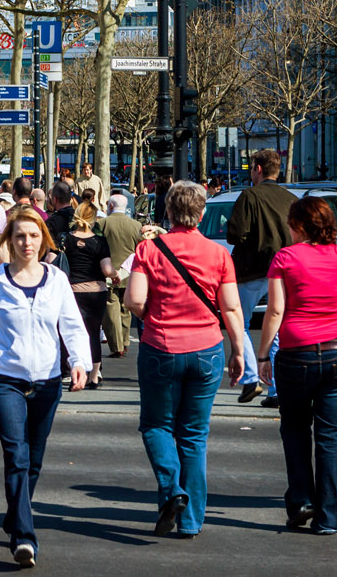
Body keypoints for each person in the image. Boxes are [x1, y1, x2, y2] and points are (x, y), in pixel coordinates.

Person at [0, 207, 90, 568]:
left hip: (48, 380)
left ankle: (14, 513)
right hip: (5, 379)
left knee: (34, 460)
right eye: (20, 236)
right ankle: (24, 537)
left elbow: (72, 324)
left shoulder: (55, 279)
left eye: (34, 236)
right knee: (16, 456)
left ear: (43, 240)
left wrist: (79, 361)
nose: (27, 243)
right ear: (9, 240)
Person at [125, 180, 245, 539]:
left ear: (169, 212)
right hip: (207, 349)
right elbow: (232, 307)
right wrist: (238, 351)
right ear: (203, 213)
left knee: (157, 425)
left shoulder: (149, 250)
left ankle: (171, 487)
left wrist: (153, 318)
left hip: (161, 346)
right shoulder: (219, 254)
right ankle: (191, 519)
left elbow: (133, 300)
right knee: (194, 435)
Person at [256, 195, 337, 535]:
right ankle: (329, 515)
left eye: (291, 224)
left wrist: (263, 356)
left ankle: (301, 500)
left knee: (294, 428)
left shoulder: (286, 258)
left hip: (297, 353)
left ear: (300, 226)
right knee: (330, 436)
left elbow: (275, 312)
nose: (288, 230)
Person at [225, 148, 297, 406]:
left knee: (238, 323)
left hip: (252, 269)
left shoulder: (249, 196)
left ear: (257, 169)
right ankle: (276, 388)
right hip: (285, 270)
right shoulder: (291, 198)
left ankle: (251, 378)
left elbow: (236, 233)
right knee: (277, 329)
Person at [62, 200, 112, 388]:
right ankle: (93, 377)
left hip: (72, 291)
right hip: (96, 291)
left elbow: (52, 261)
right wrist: (115, 274)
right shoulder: (99, 241)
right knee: (93, 332)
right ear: (93, 218)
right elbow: (106, 269)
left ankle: (75, 373)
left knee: (73, 332)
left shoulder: (65, 239)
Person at [98, 194, 142, 358]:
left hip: (108, 273)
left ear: (110, 206)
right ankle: (124, 342)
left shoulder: (102, 224)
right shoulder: (136, 225)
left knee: (111, 310)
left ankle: (116, 346)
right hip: (129, 274)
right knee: (125, 310)